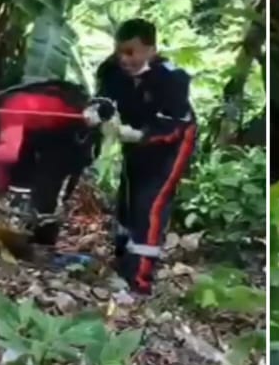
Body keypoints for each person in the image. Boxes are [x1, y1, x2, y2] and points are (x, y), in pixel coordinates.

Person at [84, 19, 196, 295]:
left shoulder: (171, 79)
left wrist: (141, 136)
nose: (124, 59)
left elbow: (173, 126)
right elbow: (105, 100)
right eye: (120, 51)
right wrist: (96, 112)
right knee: (129, 197)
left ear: (151, 49)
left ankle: (140, 282)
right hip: (133, 137)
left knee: (151, 203)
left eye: (131, 52)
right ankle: (123, 265)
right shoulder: (111, 70)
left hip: (172, 143)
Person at [0, 74, 104, 245]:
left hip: (70, 135)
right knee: (20, 178)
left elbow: (9, 152)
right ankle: (25, 226)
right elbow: (5, 155)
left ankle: (42, 243)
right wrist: (1, 187)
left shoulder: (11, 108)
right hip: (42, 136)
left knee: (46, 188)